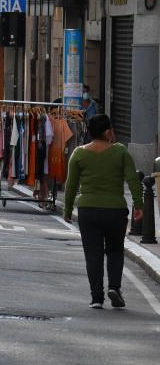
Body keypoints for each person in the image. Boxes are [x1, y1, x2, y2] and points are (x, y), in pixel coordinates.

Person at [64, 113, 144, 309]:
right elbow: (133, 180)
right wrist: (139, 205)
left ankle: (96, 297)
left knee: (93, 254)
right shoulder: (120, 152)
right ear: (108, 132)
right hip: (115, 211)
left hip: (88, 211)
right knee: (115, 250)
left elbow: (71, 185)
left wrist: (67, 209)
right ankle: (114, 288)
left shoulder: (79, 153)